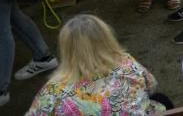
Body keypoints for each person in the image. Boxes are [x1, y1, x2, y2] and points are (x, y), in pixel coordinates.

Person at [26, 14, 169, 114]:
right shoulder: (126, 62)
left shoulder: (53, 90)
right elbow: (151, 86)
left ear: (66, 49)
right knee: (160, 100)